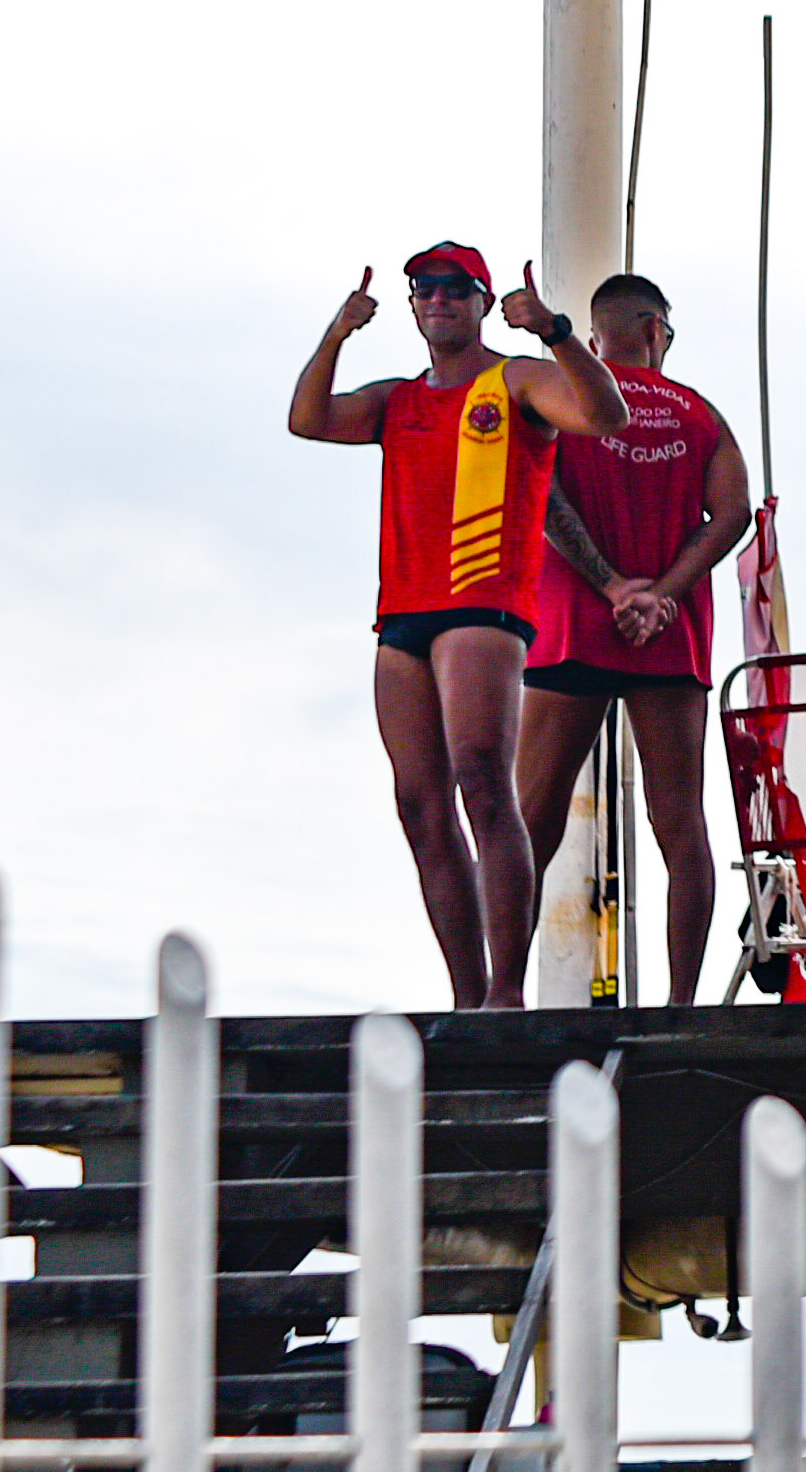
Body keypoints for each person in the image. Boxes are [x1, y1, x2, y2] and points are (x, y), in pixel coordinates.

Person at [288, 242, 628, 1008]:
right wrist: (337, 334)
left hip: (481, 603)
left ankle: (506, 991)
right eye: (424, 289)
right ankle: (468, 994)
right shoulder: (398, 399)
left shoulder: (513, 376)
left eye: (454, 287)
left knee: (482, 780)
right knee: (419, 802)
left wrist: (555, 331)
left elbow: (606, 415)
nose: (437, 299)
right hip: (402, 613)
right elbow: (307, 420)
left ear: (481, 301)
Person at [514, 272, 753, 1005]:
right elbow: (733, 513)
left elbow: (543, 499)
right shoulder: (701, 413)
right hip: (669, 635)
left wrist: (611, 584)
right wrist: (662, 593)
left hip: (573, 621)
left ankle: (499, 993)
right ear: (653, 330)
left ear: (596, 337)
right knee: (680, 821)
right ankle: (683, 1005)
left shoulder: (567, 395)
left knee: (531, 821)